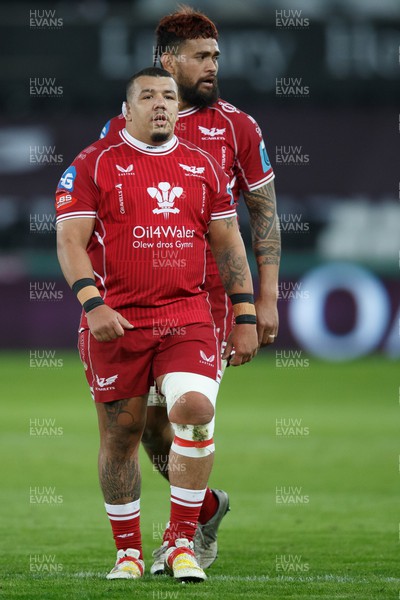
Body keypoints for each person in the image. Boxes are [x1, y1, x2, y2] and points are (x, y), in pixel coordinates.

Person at [56, 67, 258, 583]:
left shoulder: (203, 166)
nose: (161, 104)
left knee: (194, 409)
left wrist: (245, 314)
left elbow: (230, 242)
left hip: (187, 315)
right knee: (123, 436)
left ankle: (181, 542)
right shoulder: (93, 164)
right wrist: (92, 304)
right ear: (127, 110)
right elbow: (71, 242)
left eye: (168, 96)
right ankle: (127, 553)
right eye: (148, 96)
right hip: (118, 322)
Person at [101, 5, 281, 573]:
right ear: (167, 60)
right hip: (137, 301)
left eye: (216, 57)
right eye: (201, 57)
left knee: (188, 412)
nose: (212, 66)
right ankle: (204, 507)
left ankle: (181, 538)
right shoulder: (125, 125)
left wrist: (264, 301)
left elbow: (264, 217)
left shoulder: (239, 127)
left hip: (206, 303)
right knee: (143, 427)